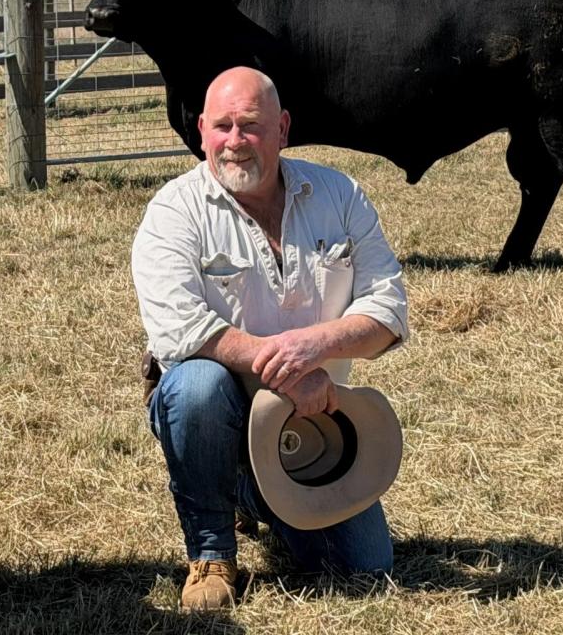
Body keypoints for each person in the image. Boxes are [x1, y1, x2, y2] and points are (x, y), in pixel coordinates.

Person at [131, 66, 409, 611]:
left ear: (282, 128)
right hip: (218, 403)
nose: (234, 142)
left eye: (250, 126)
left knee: (363, 566)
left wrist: (317, 346)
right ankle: (211, 551)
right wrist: (290, 371)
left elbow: (389, 311)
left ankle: (248, 490)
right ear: (201, 130)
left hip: (313, 420)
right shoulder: (173, 210)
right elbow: (179, 328)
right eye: (222, 126)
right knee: (195, 386)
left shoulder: (340, 194)